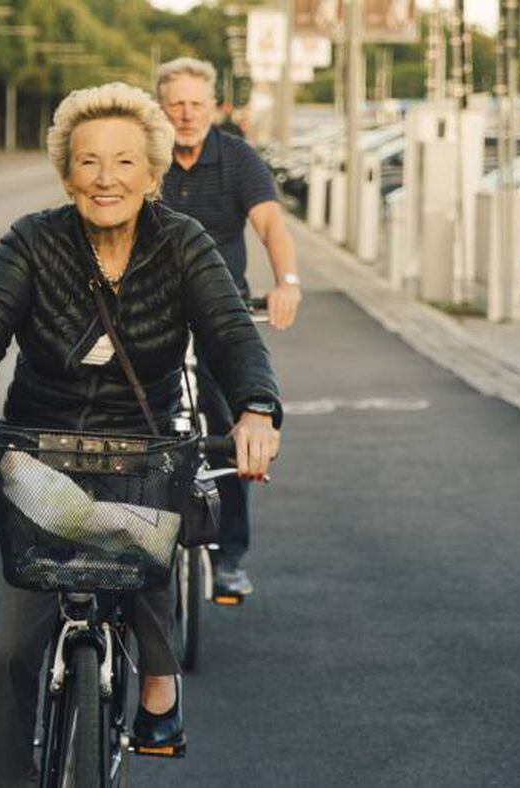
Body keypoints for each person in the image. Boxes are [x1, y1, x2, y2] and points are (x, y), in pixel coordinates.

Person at [0, 82, 282, 787]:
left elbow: (231, 332)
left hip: (139, 446)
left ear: (150, 172)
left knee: (145, 543)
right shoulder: (33, 240)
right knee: (10, 650)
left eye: (122, 162)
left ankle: (158, 679)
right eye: (87, 162)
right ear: (66, 172)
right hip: (40, 455)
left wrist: (256, 410)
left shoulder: (181, 243)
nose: (105, 178)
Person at [157, 57, 301, 599]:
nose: (187, 115)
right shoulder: (149, 157)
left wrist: (286, 282)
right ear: (162, 109)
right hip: (157, 312)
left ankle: (230, 557)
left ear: (214, 107)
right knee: (136, 422)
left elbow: (269, 223)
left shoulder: (237, 157)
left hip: (222, 312)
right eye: (176, 105)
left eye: (197, 104)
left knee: (231, 434)